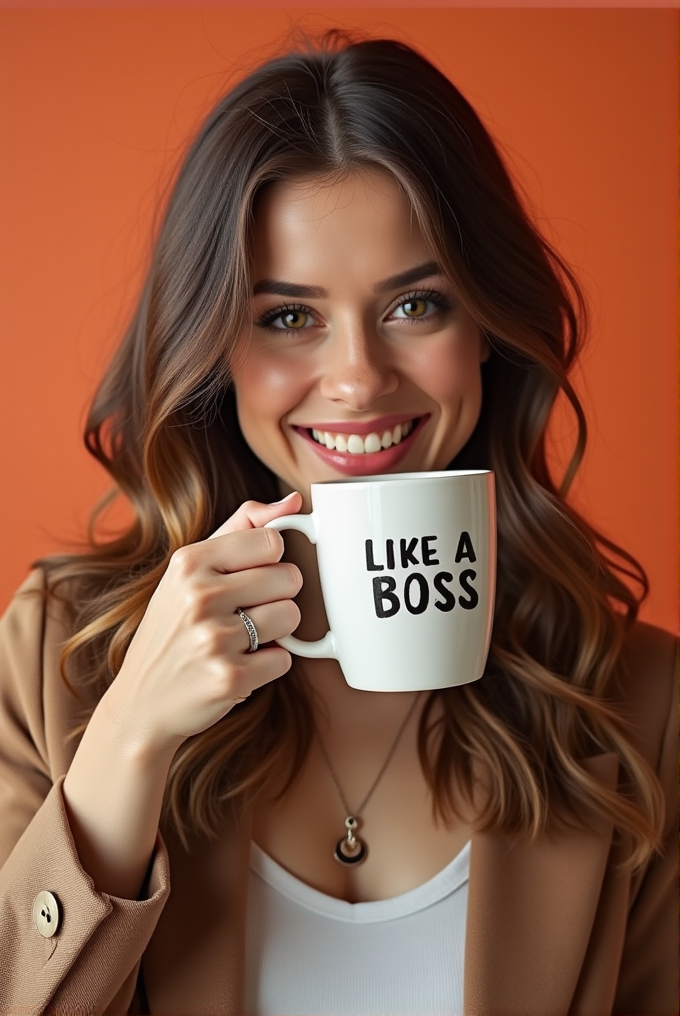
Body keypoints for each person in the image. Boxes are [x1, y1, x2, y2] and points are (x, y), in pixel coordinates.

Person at [0, 33, 676, 1016]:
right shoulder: (57, 653)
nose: (358, 376)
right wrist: (129, 739)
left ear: (484, 325)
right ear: (213, 344)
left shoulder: (640, 703)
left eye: (414, 302)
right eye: (287, 316)